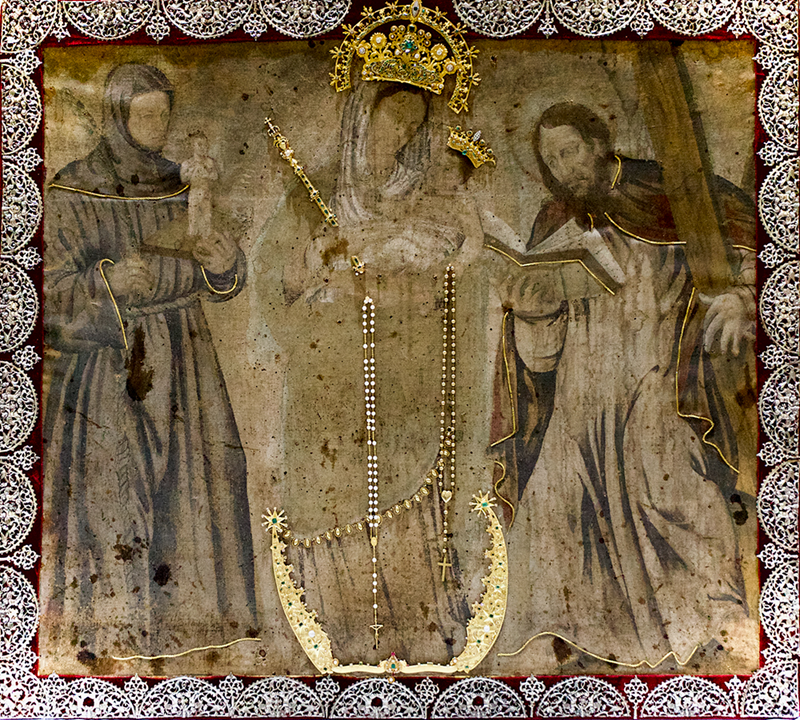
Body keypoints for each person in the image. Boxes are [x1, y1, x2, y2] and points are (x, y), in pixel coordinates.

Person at [490, 103, 757, 670]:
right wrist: (532, 314)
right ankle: (578, 643)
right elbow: (542, 357)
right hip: (580, 391)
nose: (563, 169)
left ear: (598, 143)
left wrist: (741, 295)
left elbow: (755, 245)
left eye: (570, 152)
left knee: (664, 481)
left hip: (659, 376)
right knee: (555, 501)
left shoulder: (667, 193)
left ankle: (716, 623)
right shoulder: (553, 222)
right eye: (551, 160)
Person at [252, 83, 486, 666]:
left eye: (412, 128)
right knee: (334, 504)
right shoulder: (315, 192)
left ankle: (420, 639)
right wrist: (312, 262)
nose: (400, 138)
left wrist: (428, 278)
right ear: (362, 118)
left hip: (410, 378)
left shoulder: (433, 195)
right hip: (330, 380)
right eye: (391, 122)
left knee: (412, 507)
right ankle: (339, 638)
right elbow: (277, 284)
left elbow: (464, 281)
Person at [41, 63, 257, 674]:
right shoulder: (74, 190)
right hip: (111, 366)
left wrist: (223, 264)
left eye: (165, 112)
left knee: (197, 489)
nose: (158, 125)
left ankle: (191, 639)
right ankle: (115, 640)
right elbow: (41, 296)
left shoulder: (183, 183)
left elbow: (220, 273)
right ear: (117, 116)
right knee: (113, 497)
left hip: (186, 358)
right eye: (145, 115)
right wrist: (107, 282)